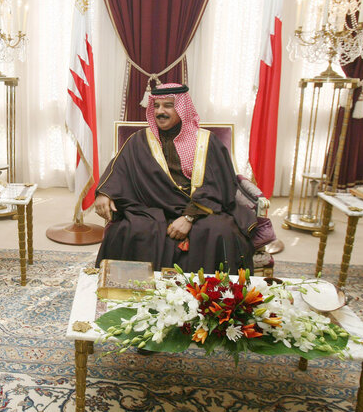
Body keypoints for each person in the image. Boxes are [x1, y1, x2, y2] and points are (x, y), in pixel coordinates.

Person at [94, 83, 256, 274]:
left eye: (168, 105)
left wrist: (189, 217)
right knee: (126, 231)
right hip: (153, 208)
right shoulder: (140, 140)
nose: (160, 112)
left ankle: (206, 295)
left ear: (182, 108)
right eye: (156, 106)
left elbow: (219, 186)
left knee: (220, 232)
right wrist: (105, 193)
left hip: (200, 209)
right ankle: (132, 291)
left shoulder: (206, 141)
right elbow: (119, 170)